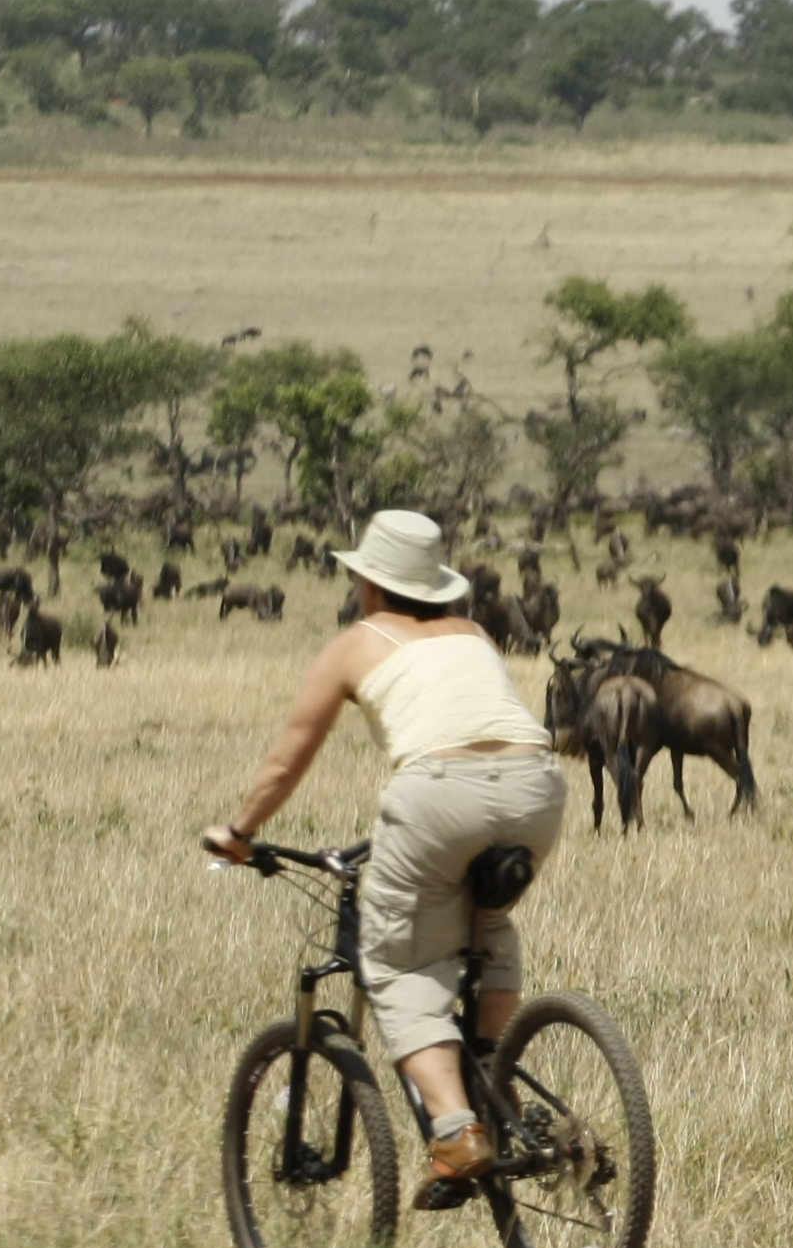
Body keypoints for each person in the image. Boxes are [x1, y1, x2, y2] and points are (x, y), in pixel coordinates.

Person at [204, 509, 566, 1200]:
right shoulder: (473, 632)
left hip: (437, 794)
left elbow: (286, 762)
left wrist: (239, 831)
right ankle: (497, 1088)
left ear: (369, 584)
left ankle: (457, 1130)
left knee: (395, 965)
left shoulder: (354, 644)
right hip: (536, 788)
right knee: (484, 923)